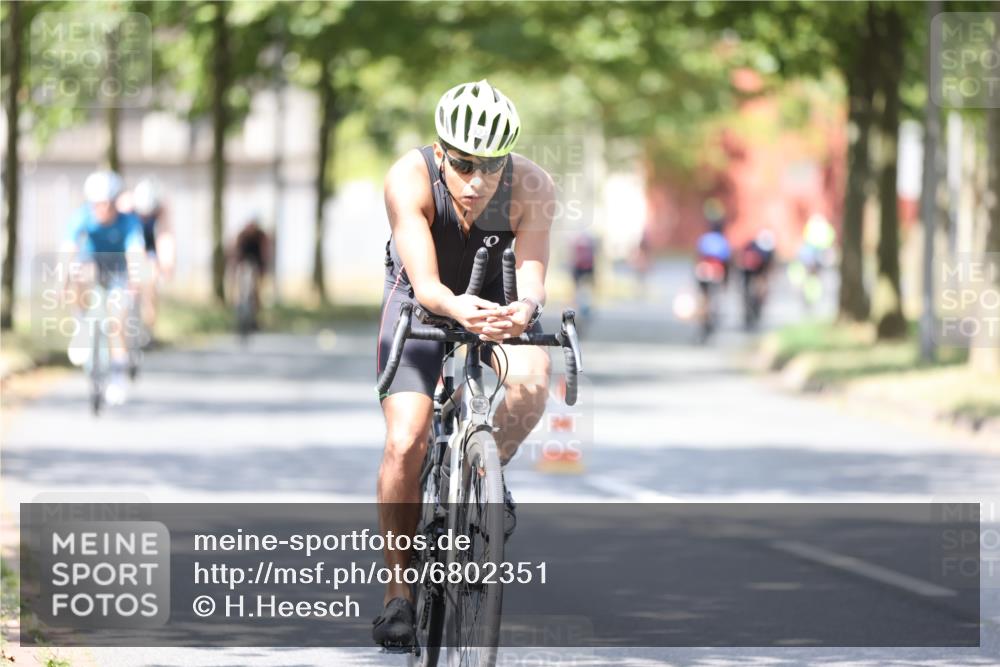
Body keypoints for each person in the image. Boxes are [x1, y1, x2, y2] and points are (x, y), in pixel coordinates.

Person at [372, 79, 554, 649]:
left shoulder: (533, 187)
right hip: (421, 299)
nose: (477, 181)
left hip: (497, 298)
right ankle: (398, 592)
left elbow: (532, 282)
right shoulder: (409, 177)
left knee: (534, 382)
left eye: (492, 166)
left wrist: (523, 309)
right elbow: (428, 285)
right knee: (407, 438)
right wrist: (455, 308)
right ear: (440, 151)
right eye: (463, 164)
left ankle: (481, 477)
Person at [62, 170, 145, 405]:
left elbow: (135, 252)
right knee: (78, 273)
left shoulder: (129, 222)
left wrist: (135, 280)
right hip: (92, 263)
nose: (103, 209)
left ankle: (118, 376)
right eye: (98, 204)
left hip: (119, 270)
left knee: (116, 320)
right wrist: (61, 281)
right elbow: (68, 248)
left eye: (108, 204)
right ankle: (81, 328)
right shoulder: (82, 217)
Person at [130, 178, 174, 342]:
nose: (144, 217)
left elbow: (165, 237)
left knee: (151, 281)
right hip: (129, 246)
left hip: (149, 247)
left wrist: (167, 263)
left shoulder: (161, 211)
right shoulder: (126, 208)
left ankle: (148, 328)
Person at [229, 217, 272, 330]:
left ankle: (255, 318)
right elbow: (235, 254)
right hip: (243, 265)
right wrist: (234, 272)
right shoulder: (242, 236)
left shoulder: (261, 237)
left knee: (256, 292)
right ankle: (240, 316)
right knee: (241, 290)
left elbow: (265, 254)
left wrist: (263, 272)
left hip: (257, 265)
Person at [737, 228, 776, 329]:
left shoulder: (754, 247)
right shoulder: (762, 250)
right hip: (749, 271)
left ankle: (751, 306)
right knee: (754, 289)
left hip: (751, 270)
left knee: (753, 289)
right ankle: (750, 307)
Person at [570, 230, 597, 319]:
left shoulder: (578, 240)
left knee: (582, 289)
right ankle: (582, 307)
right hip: (582, 267)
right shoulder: (588, 241)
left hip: (584, 267)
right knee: (581, 289)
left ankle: (583, 307)